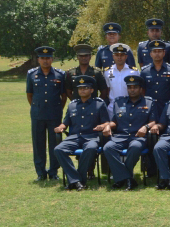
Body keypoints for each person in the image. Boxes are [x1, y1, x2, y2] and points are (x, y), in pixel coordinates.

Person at [102, 76, 158, 190]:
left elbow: (153, 121)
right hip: (121, 136)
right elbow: (114, 122)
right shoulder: (119, 102)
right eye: (130, 87)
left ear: (140, 89)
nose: (132, 90)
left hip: (138, 137)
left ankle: (120, 178)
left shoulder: (149, 102)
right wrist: (107, 126)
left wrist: (146, 127)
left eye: (135, 87)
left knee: (135, 147)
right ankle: (127, 178)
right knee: (108, 148)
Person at [53, 75, 109, 191]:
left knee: (90, 148)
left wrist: (102, 126)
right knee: (58, 149)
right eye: (80, 88)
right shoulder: (72, 104)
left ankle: (76, 181)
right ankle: (77, 180)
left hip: (92, 137)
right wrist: (60, 127)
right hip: (74, 137)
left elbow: (106, 122)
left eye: (85, 88)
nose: (82, 90)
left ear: (92, 90)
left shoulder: (99, 104)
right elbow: (65, 123)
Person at [27, 46, 67, 181]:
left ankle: (53, 172)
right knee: (38, 144)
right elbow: (29, 94)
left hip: (54, 114)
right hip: (37, 115)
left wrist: (57, 108)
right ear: (38, 59)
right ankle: (40, 173)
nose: (45, 61)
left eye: (48, 58)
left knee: (55, 143)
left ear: (52, 59)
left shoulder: (60, 74)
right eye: (42, 58)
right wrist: (38, 107)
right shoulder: (31, 74)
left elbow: (63, 95)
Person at [140, 40, 170, 117]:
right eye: (154, 51)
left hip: (166, 108)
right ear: (150, 54)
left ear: (164, 53)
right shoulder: (144, 71)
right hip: (149, 109)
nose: (157, 54)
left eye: (159, 51)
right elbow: (142, 91)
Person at [103, 43, 140, 117]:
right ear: (113, 56)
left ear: (126, 56)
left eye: (122, 55)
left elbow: (139, 90)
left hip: (129, 106)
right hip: (112, 107)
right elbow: (107, 89)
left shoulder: (134, 72)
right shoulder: (107, 72)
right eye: (117, 55)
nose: (119, 57)